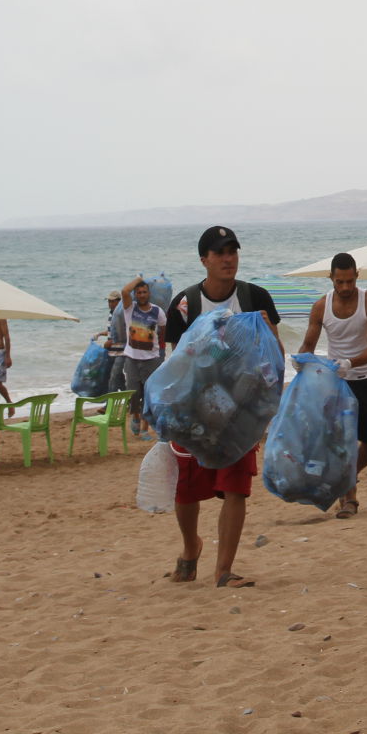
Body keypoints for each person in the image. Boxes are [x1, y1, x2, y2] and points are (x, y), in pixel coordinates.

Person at [161, 226, 282, 588]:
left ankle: (224, 570)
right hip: (194, 411)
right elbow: (175, 363)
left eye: (233, 251)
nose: (228, 258)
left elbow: (275, 354)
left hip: (241, 413)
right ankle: (190, 547)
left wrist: (268, 403)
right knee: (186, 490)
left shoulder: (255, 296)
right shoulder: (185, 304)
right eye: (220, 253)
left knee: (235, 488)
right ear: (204, 260)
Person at [299, 252, 367, 519]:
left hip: (365, 377)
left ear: (357, 276)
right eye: (340, 282)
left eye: (350, 281)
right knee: (344, 441)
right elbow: (308, 345)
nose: (346, 287)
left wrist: (351, 362)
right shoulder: (320, 307)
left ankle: (346, 476)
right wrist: (300, 361)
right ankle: (349, 498)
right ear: (331, 278)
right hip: (336, 383)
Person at [121, 276, 166, 436]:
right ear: (135, 294)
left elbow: (162, 331)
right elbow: (124, 291)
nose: (141, 295)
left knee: (149, 394)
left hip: (151, 359)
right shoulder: (130, 308)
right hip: (132, 358)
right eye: (138, 292)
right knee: (133, 392)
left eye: (144, 292)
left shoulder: (157, 311)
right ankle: (135, 416)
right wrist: (138, 279)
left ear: (149, 294)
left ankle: (145, 428)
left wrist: (161, 353)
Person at [102, 289, 128, 393]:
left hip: (121, 351)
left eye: (113, 301)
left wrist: (111, 341)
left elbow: (125, 331)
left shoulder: (122, 314)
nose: (110, 304)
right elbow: (112, 330)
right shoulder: (111, 314)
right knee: (119, 377)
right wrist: (101, 334)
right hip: (112, 351)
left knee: (114, 376)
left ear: (119, 301)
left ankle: (108, 404)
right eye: (109, 301)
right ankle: (129, 399)